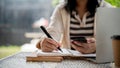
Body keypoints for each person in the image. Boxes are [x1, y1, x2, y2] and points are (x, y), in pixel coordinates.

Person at [36, 0, 112, 54]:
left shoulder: (106, 8)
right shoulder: (61, 9)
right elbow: (52, 34)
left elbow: (114, 42)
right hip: (68, 62)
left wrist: (98, 46)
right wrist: (45, 42)